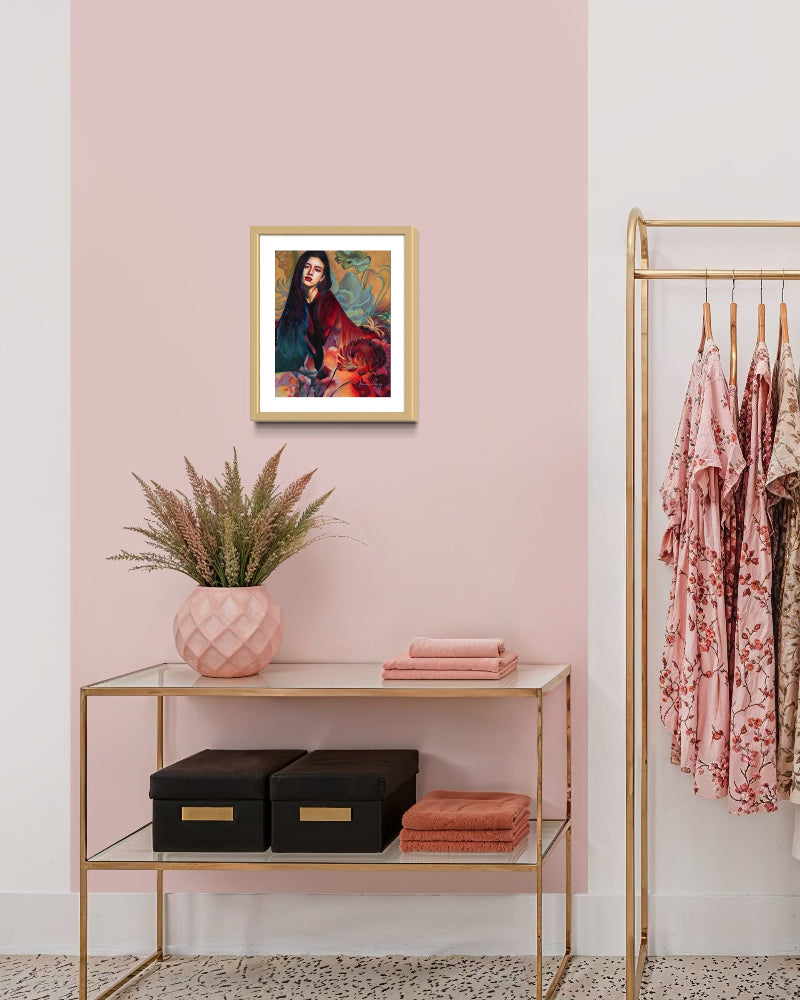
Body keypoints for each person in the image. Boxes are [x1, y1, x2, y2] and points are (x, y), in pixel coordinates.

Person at [275, 251, 389, 398]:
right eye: (307, 267)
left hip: (340, 349)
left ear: (322, 277)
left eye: (317, 270)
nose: (310, 272)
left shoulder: (327, 300)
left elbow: (332, 340)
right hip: (311, 354)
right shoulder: (297, 298)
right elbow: (287, 329)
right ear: (300, 270)